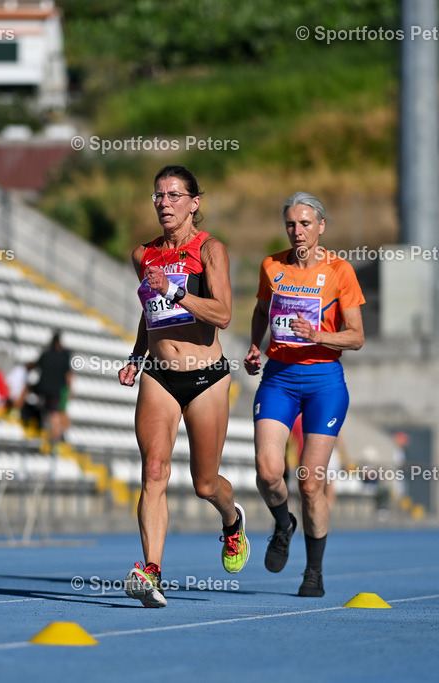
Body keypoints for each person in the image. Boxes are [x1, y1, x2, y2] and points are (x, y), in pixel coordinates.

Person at [118, 165, 248, 608]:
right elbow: (148, 310)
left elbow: (223, 313)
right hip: (159, 375)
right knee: (153, 471)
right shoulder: (143, 255)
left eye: (174, 195)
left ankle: (232, 523)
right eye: (158, 196)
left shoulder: (210, 250)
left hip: (207, 378)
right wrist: (137, 356)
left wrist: (174, 290)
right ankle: (150, 571)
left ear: (194, 202)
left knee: (205, 484)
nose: (164, 203)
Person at [244, 191, 365, 598]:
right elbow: (262, 310)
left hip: (324, 382)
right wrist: (254, 344)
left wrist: (318, 335)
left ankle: (313, 573)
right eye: (291, 225)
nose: (298, 232)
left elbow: (357, 337)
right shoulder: (271, 265)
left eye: (306, 224)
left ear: (321, 227)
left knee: (311, 483)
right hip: (278, 378)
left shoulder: (339, 271)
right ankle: (283, 524)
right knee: (267, 471)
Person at [31, 331, 72, 448]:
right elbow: (69, 375)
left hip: (44, 388)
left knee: (53, 413)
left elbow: (36, 366)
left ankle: (56, 435)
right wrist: (69, 389)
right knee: (56, 413)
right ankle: (56, 437)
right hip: (57, 390)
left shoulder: (46, 354)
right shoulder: (64, 356)